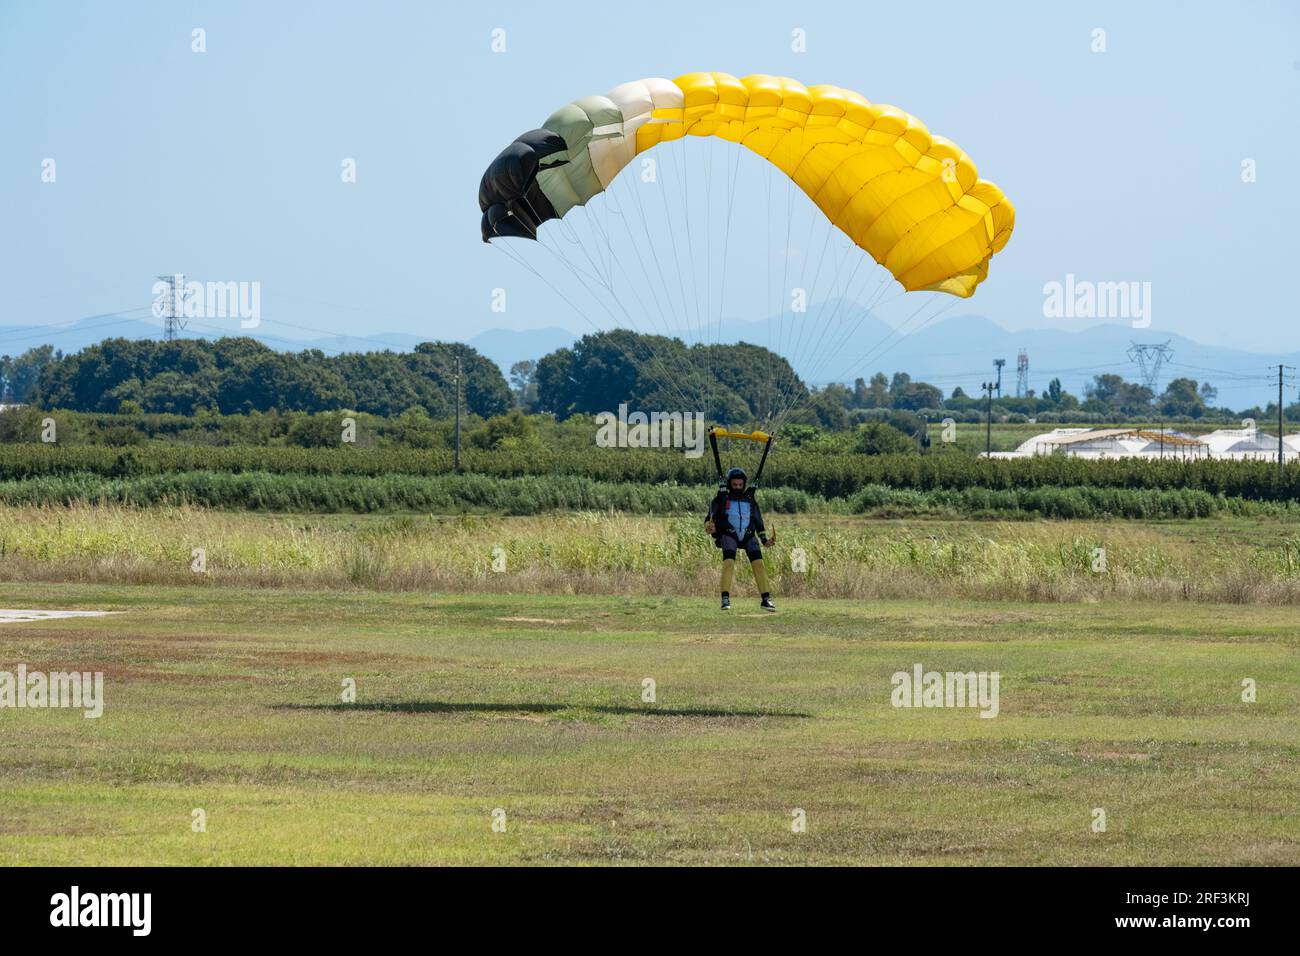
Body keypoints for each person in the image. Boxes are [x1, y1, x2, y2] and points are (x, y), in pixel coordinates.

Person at [704, 467, 776, 612]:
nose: (737, 487)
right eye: (734, 485)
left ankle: (766, 599)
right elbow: (708, 520)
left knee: (759, 563)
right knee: (729, 562)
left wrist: (764, 539)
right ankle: (725, 598)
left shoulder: (750, 500)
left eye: (740, 485)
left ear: (744, 484)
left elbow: (758, 521)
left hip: (748, 535)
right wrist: (710, 527)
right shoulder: (721, 499)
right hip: (729, 533)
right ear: (730, 484)